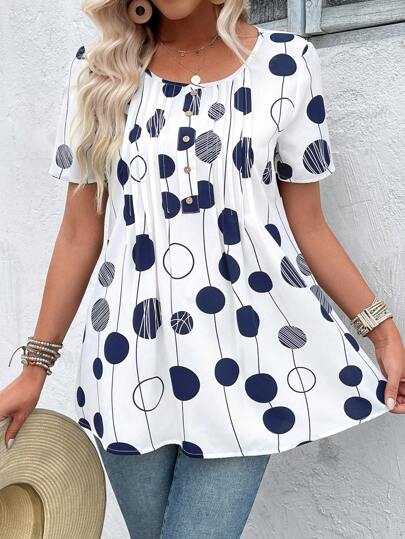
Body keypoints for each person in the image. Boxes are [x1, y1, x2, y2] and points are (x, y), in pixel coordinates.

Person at [1, 0, 404, 537]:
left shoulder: (286, 64)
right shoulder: (97, 71)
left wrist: (381, 330)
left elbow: (309, 226)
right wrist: (36, 368)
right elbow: (79, 233)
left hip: (245, 358)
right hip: (126, 359)